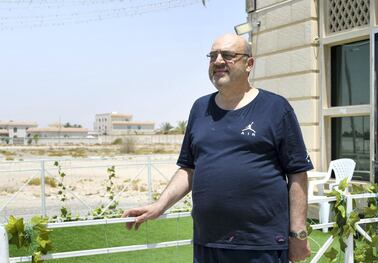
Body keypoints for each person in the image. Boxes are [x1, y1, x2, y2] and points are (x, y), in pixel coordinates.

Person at [123, 33, 313, 263]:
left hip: (261, 245)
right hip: (208, 243)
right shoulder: (200, 108)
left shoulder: (275, 108)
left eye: (228, 55)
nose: (218, 61)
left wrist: (298, 233)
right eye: (213, 56)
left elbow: (297, 173)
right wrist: (159, 206)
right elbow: (189, 169)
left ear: (249, 64)